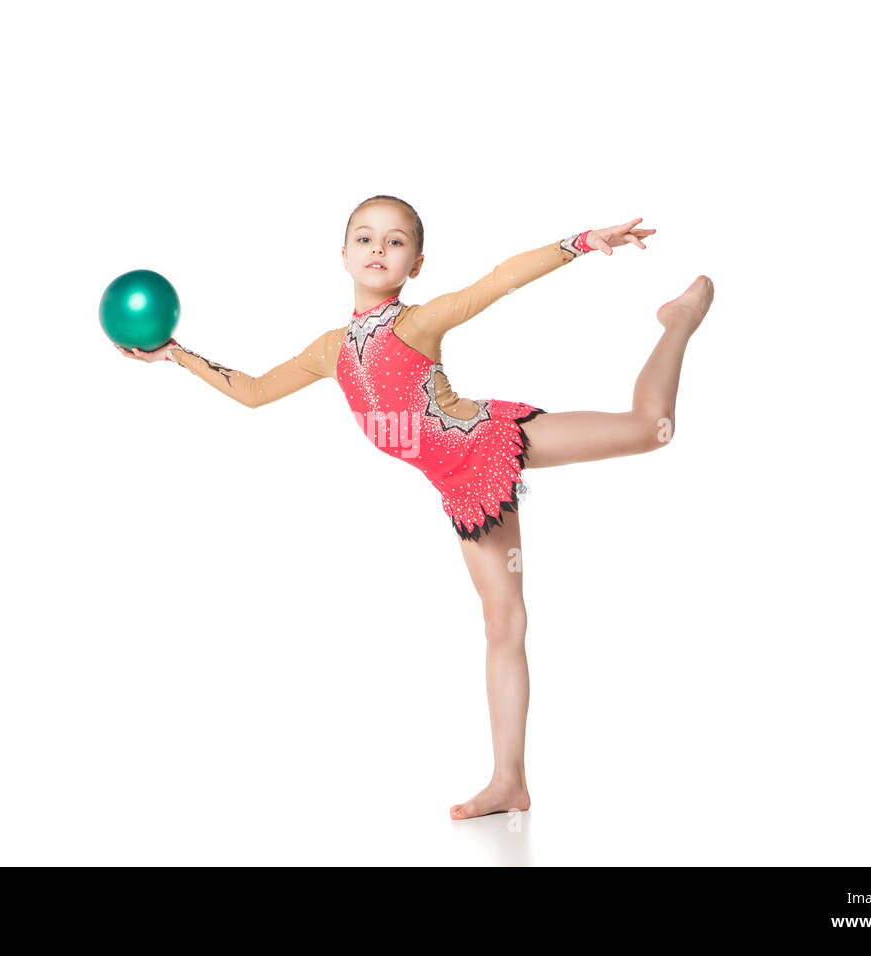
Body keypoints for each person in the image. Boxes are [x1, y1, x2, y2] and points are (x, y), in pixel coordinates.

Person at [117, 195, 714, 820]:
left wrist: (584, 242)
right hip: (462, 489)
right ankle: (509, 781)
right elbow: (257, 392)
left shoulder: (417, 323)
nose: (379, 249)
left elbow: (497, 282)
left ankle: (679, 319)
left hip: (488, 438)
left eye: (396, 242)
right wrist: (176, 354)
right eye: (366, 238)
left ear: (416, 263)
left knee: (653, 429)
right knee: (505, 625)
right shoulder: (330, 351)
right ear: (343, 254)